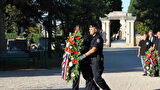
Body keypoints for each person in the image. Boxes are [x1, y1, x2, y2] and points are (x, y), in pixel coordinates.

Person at [79, 24, 110, 90]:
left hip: (96, 60)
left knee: (97, 78)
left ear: (95, 29)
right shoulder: (91, 37)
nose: (89, 30)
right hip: (90, 60)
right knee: (88, 76)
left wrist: (83, 56)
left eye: (91, 29)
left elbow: (94, 49)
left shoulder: (98, 38)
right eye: (89, 29)